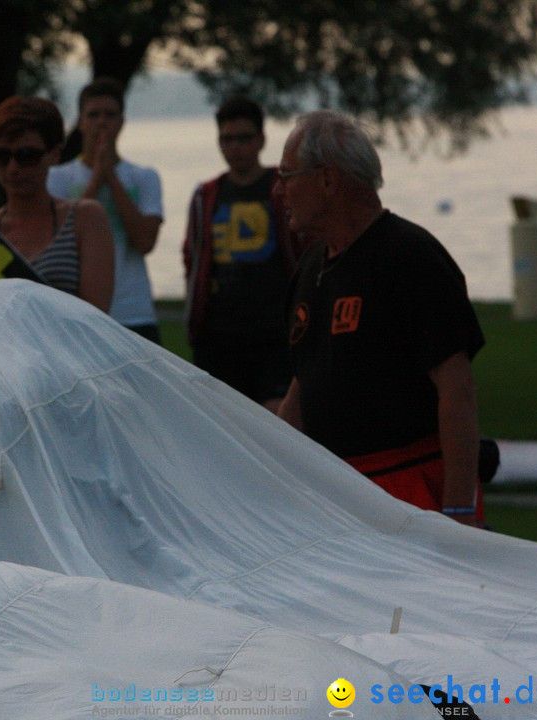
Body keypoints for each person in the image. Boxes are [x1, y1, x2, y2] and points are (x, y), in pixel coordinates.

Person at [274, 109, 486, 526]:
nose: (280, 191)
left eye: (287, 175)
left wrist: (460, 511)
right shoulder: (311, 264)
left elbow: (457, 389)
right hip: (337, 498)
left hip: (409, 494)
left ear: (328, 180)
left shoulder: (411, 257)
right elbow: (303, 389)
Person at [183, 96, 309, 412]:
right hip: (219, 336)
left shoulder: (281, 189)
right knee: (224, 423)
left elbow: (306, 248)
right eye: (227, 139)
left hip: (275, 333)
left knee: (278, 420)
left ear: (262, 140)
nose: (235, 147)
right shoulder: (207, 195)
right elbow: (193, 258)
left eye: (244, 138)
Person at [47, 77, 162, 342]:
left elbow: (145, 241)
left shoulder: (144, 177)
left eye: (110, 115)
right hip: (80, 313)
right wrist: (98, 178)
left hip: (135, 313)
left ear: (122, 122)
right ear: (80, 122)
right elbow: (63, 241)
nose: (102, 122)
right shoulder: (58, 178)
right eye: (93, 115)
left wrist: (112, 177)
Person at [0, 95, 114, 312]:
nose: (13, 168)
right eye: (1, 156)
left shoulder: (85, 218)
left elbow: (96, 318)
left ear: (54, 155)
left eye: (27, 156)